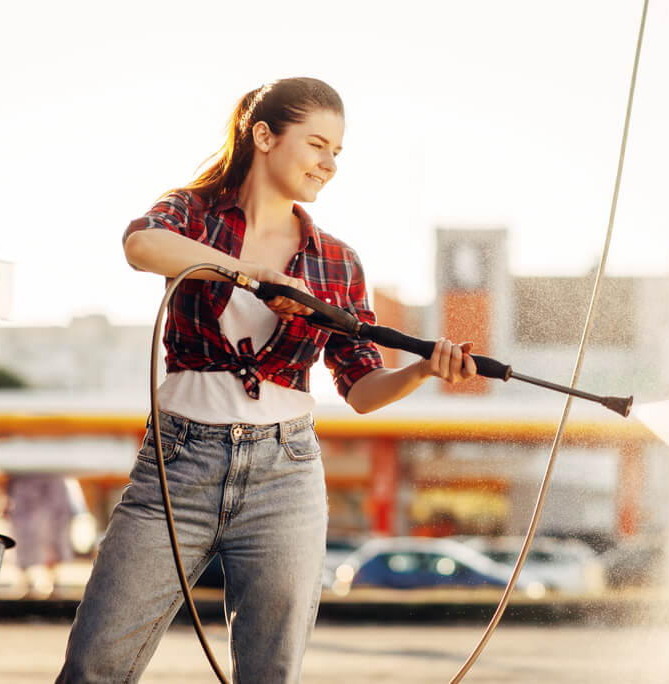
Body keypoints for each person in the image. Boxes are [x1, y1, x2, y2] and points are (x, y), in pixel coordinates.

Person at [57, 77, 477, 683]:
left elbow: (361, 390)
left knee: (269, 676)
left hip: (287, 475)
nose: (329, 164)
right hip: (178, 464)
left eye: (337, 152)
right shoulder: (194, 214)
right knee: (95, 664)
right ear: (263, 135)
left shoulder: (338, 261)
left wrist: (419, 369)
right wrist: (251, 275)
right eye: (316, 144)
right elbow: (142, 246)